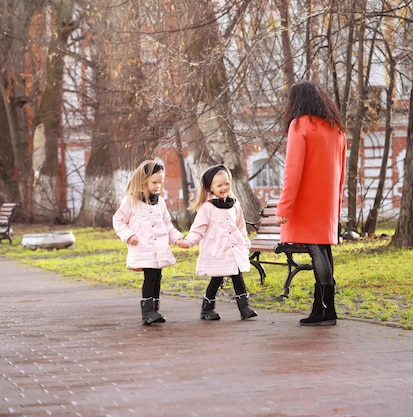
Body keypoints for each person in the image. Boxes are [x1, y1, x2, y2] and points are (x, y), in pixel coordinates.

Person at [275, 80, 347, 326]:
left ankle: (324, 309)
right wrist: (335, 203)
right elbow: (342, 172)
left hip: (307, 199)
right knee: (324, 251)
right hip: (327, 200)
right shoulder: (336, 128)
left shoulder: (300, 125)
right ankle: (325, 308)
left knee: (317, 251)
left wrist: (284, 207)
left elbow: (292, 171)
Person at [177, 165, 257, 320]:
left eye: (226, 184)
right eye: (219, 185)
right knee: (217, 278)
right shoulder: (207, 208)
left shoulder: (235, 205)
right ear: (210, 187)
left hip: (233, 250)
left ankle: (244, 307)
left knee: (237, 275)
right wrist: (188, 242)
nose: (224, 187)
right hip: (217, 250)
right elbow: (198, 229)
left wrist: (245, 243)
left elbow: (240, 227)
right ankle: (207, 308)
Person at [112, 160, 185, 325]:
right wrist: (128, 235)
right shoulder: (131, 201)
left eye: (160, 183)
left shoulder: (160, 202)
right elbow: (118, 220)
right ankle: (147, 312)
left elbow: (167, 224)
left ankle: (154, 309)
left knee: (157, 277)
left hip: (159, 249)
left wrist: (177, 238)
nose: (157, 186)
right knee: (150, 277)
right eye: (154, 182)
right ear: (142, 180)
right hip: (143, 248)